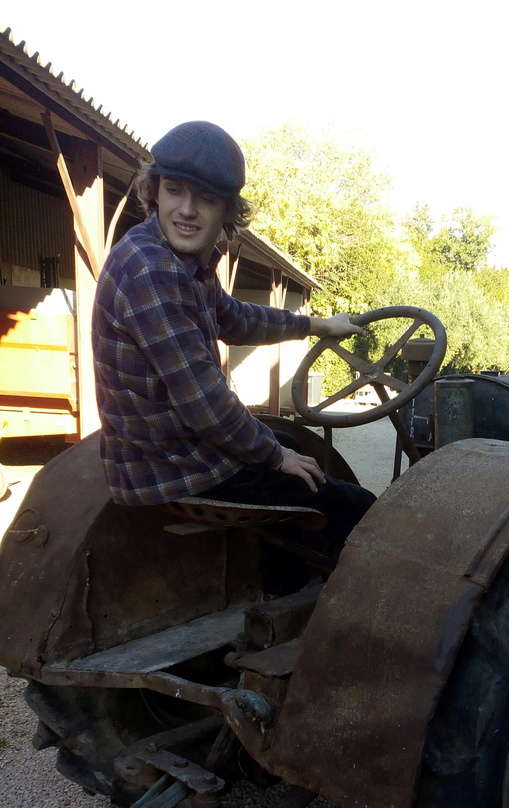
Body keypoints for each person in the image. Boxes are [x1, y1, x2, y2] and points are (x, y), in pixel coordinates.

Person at [91, 120, 375, 562]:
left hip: (174, 448)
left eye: (206, 198)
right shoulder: (152, 268)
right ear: (155, 191)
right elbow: (204, 401)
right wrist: (271, 453)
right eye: (175, 190)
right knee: (358, 507)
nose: (186, 209)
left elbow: (234, 317)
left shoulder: (180, 259)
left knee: (304, 457)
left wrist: (316, 325)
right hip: (174, 466)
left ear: (227, 209)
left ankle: (281, 581)